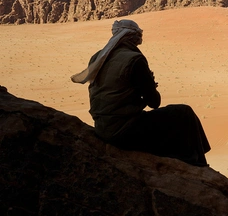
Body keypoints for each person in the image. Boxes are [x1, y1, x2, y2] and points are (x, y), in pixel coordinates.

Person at [71, 19, 210, 167]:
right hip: (124, 131)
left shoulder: (98, 56)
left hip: (102, 128)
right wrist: (150, 84)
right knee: (184, 113)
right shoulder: (134, 60)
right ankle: (197, 164)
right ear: (132, 38)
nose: (139, 41)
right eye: (138, 37)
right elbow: (154, 102)